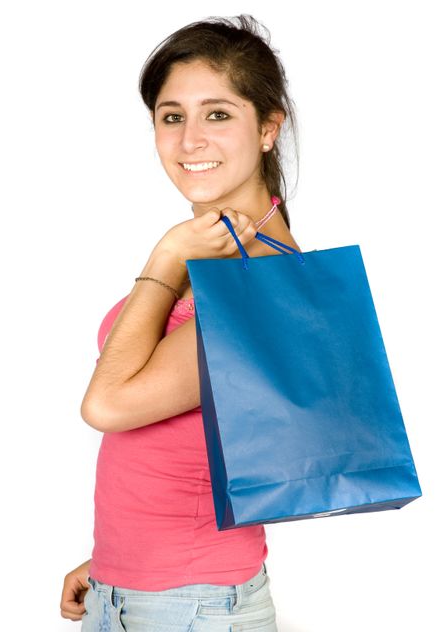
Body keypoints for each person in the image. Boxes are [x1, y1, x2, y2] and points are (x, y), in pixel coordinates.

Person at [60, 14, 301, 631]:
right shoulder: (215, 255)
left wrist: (165, 256)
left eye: (217, 114)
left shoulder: (262, 280)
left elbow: (107, 405)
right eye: (172, 117)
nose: (190, 138)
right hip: (137, 591)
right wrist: (116, 562)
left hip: (195, 606)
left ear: (269, 128)